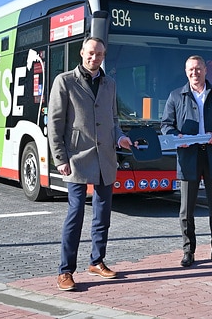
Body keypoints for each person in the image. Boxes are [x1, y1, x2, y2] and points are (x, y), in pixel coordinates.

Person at [48, 36, 134, 291]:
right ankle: (65, 270)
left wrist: (121, 138)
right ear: (81, 53)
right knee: (75, 214)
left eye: (99, 54)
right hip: (76, 159)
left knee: (102, 214)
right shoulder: (64, 81)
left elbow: (113, 120)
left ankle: (97, 261)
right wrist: (60, 159)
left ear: (103, 57)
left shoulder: (110, 84)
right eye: (90, 53)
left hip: (106, 159)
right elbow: (54, 124)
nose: (94, 58)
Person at [161, 55, 212, 267]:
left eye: (198, 69)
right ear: (186, 72)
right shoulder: (176, 96)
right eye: (190, 70)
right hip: (188, 157)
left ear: (206, 70)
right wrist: (177, 136)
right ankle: (189, 251)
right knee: (186, 210)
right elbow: (166, 125)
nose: (194, 73)